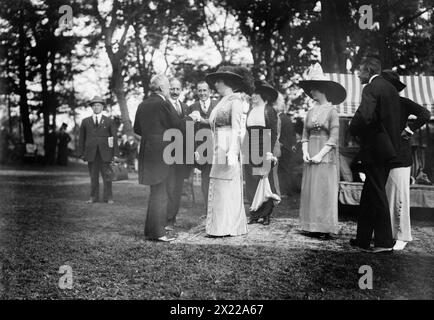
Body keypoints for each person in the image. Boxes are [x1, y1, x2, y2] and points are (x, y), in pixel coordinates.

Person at [349, 57, 402, 253]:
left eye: (360, 71)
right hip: (388, 149)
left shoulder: (371, 88)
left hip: (376, 150)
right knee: (370, 192)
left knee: (377, 194)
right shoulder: (390, 89)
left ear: (369, 71)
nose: (358, 74)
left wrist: (352, 128)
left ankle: (384, 242)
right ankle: (363, 239)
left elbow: (365, 116)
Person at [133, 74, 190, 242]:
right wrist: (190, 118)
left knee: (155, 192)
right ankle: (158, 233)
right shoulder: (163, 104)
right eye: (168, 87)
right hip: (162, 154)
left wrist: (152, 136)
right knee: (161, 194)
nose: (169, 90)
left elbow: (137, 129)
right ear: (163, 88)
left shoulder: (142, 104)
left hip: (147, 152)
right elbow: (177, 125)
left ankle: (150, 231)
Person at [381, 70, 430, 250]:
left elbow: (425, 113)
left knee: (400, 197)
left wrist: (409, 130)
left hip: (400, 157)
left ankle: (402, 236)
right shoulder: (379, 105)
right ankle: (388, 233)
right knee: (386, 197)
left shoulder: (403, 103)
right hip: (384, 157)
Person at [204, 65, 254, 237]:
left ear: (227, 82)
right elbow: (213, 124)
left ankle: (227, 226)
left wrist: (233, 151)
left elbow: (238, 129)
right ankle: (218, 226)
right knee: (218, 184)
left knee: (226, 184)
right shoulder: (222, 101)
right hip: (218, 144)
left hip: (228, 145)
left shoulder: (236, 101)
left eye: (218, 80)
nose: (216, 84)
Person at [298, 63, 345, 240]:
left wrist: (319, 155)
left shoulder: (333, 111)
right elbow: (304, 135)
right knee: (311, 189)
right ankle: (310, 225)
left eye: (314, 89)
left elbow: (333, 138)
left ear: (321, 90)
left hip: (325, 155)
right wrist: (305, 152)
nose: (311, 92)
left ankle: (324, 227)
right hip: (311, 152)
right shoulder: (310, 111)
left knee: (324, 189)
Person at [244, 80, 279, 225]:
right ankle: (254, 213)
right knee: (251, 179)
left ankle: (266, 214)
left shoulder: (269, 110)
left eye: (255, 94)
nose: (253, 96)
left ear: (262, 95)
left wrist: (269, 153)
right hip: (250, 146)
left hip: (264, 146)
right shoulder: (251, 110)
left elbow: (273, 133)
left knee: (264, 179)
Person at [78, 96, 119, 204]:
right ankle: (93, 197)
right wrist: (81, 153)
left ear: (102, 107)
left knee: (107, 177)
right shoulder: (85, 121)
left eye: (99, 105)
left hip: (106, 153)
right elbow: (81, 138)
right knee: (93, 177)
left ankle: (108, 197)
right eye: (94, 105)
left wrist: (115, 154)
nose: (96, 107)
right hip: (91, 153)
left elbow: (113, 138)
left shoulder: (109, 121)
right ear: (91, 107)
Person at [165, 77, 191, 231]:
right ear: (168, 89)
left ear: (181, 90)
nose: (175, 92)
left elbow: (189, 131)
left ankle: (172, 219)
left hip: (182, 155)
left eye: (177, 89)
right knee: (168, 187)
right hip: (167, 154)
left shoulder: (185, 107)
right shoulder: (164, 106)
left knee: (177, 188)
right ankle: (166, 219)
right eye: (172, 89)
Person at [188, 81, 219, 205]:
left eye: (204, 90)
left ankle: (218, 207)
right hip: (202, 149)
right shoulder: (193, 106)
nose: (202, 93)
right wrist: (194, 149)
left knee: (218, 178)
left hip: (217, 147)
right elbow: (190, 130)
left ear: (209, 91)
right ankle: (208, 208)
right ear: (197, 92)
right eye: (199, 90)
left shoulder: (217, 105)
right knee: (206, 178)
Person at [274, 93, 298, 197]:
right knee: (285, 169)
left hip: (284, 147)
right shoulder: (286, 119)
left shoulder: (281, 119)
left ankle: (284, 191)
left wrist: (281, 144)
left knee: (283, 170)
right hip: (287, 147)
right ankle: (285, 191)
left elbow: (282, 135)